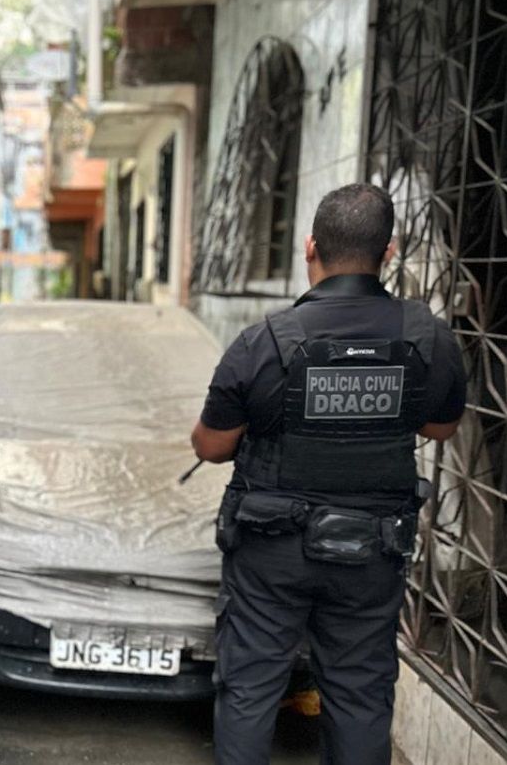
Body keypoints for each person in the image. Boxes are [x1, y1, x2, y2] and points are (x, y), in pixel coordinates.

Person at [191, 184, 467, 764]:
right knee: (360, 696)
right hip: (372, 551)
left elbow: (211, 446)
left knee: (250, 690)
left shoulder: (264, 341)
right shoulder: (430, 338)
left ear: (310, 246)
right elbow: (442, 427)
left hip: (270, 551)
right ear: (387, 252)